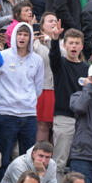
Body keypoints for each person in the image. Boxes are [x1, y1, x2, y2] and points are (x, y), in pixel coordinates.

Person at [0, 22, 44, 183]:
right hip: (7, 114)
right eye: (19, 34)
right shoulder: (3, 56)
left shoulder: (37, 60)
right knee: (3, 157)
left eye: (25, 34)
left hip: (29, 115)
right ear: (13, 35)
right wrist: (3, 98)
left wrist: (28, 102)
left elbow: (38, 87)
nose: (22, 38)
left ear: (30, 37)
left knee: (29, 159)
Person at [49, 25, 89, 179]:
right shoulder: (60, 64)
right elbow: (53, 55)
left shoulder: (87, 69)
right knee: (59, 162)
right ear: (64, 45)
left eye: (77, 43)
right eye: (70, 43)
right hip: (64, 118)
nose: (74, 46)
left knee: (80, 163)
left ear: (82, 46)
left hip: (83, 121)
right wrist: (54, 39)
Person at [33, 12, 57, 142]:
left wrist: (52, 41)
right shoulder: (35, 43)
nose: (53, 23)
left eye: (55, 21)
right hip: (44, 87)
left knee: (56, 127)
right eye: (50, 21)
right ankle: (40, 154)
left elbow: (64, 56)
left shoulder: (60, 42)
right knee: (43, 125)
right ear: (41, 26)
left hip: (58, 89)